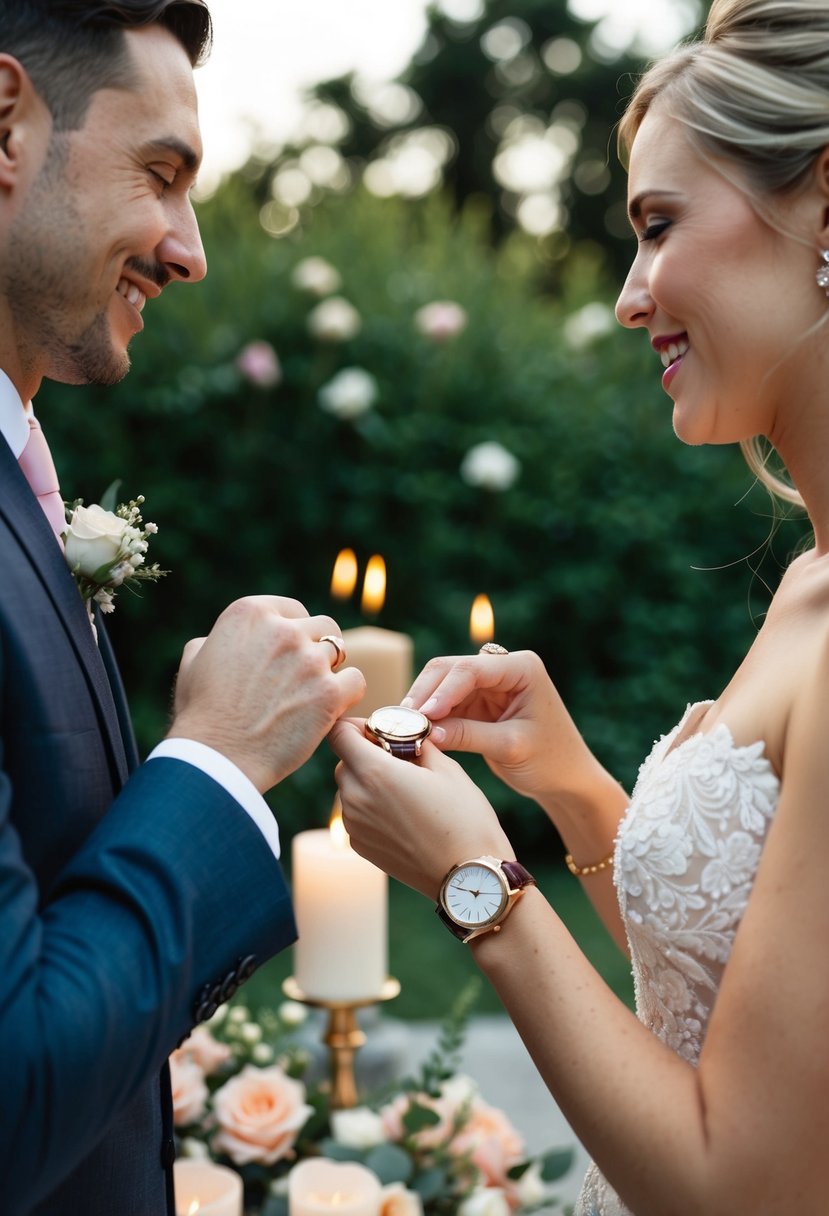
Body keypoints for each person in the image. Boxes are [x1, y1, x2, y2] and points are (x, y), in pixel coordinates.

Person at [329, 2, 829, 1212]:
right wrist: (571, 788)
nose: (624, 295)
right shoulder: (812, 581)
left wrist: (476, 881)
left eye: (659, 226)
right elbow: (724, 989)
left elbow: (744, 1185)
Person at [0, 2, 364, 1214]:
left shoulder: (20, 480)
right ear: (6, 124)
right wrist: (213, 764)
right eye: (160, 174)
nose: (189, 247)